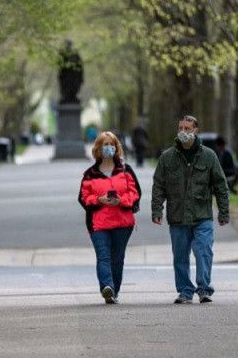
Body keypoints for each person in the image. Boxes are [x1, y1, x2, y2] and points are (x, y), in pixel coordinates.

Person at [151, 115, 229, 304]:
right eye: (180, 128)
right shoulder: (167, 157)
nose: (183, 132)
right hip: (177, 216)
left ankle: (204, 289)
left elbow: (220, 185)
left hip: (202, 214)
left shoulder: (209, 156)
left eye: (187, 128)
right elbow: (159, 185)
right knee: (180, 256)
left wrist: (223, 211)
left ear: (196, 131)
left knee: (203, 251)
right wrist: (157, 210)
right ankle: (185, 291)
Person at [78, 131, 141, 304]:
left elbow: (135, 194)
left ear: (116, 147)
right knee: (103, 256)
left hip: (123, 222)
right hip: (98, 224)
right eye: (105, 144)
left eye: (111, 144)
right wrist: (99, 200)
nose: (108, 147)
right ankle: (107, 286)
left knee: (117, 258)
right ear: (98, 148)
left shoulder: (126, 170)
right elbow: (83, 197)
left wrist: (122, 201)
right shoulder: (90, 174)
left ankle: (115, 290)